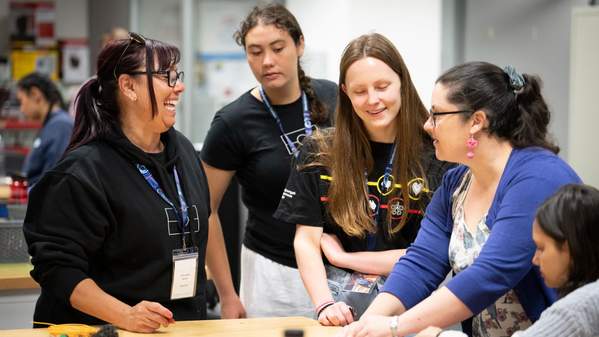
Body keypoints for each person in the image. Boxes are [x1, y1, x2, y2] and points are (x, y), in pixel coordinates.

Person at [340, 62, 581, 337]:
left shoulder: (537, 177)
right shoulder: (456, 182)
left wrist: (395, 326)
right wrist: (366, 325)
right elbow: (421, 263)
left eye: (437, 115)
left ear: (477, 121)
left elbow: (492, 273)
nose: (427, 125)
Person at [23, 32, 242, 333]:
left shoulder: (185, 153)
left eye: (177, 75)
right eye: (167, 76)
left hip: (179, 326)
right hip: (104, 329)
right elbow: (59, 270)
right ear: (128, 86)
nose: (180, 86)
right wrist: (124, 315)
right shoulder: (82, 172)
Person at [274, 33, 450, 326]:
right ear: (344, 92)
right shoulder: (318, 151)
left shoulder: (438, 153)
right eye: (359, 91)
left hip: (414, 309)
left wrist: (345, 259)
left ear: (402, 83)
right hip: (341, 309)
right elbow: (306, 240)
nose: (373, 100)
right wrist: (324, 305)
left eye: (382, 87)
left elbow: (426, 255)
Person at [200, 3, 337, 318]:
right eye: (255, 52)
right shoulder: (232, 121)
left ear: (299, 44)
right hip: (272, 272)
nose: (268, 61)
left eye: (278, 48)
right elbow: (206, 210)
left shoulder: (334, 98)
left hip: (339, 263)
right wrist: (227, 294)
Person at [415, 183, 599, 337]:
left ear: (567, 248)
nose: (535, 259)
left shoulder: (578, 310)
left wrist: (440, 335)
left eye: (542, 248)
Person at [16, 72, 73, 187]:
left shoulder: (60, 126)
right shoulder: (52, 125)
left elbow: (54, 181)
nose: (21, 109)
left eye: (21, 101)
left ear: (35, 95)